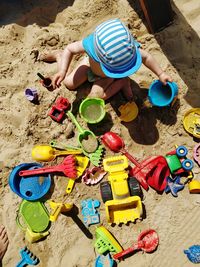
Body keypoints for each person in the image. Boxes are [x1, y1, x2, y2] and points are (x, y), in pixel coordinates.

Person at [40, 18, 172, 101]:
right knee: (69, 83)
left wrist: (161, 74)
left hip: (106, 77)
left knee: (96, 98)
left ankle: (122, 82)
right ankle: (59, 56)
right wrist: (62, 72)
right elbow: (69, 49)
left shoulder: (128, 49)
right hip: (90, 67)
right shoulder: (91, 46)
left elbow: (147, 57)